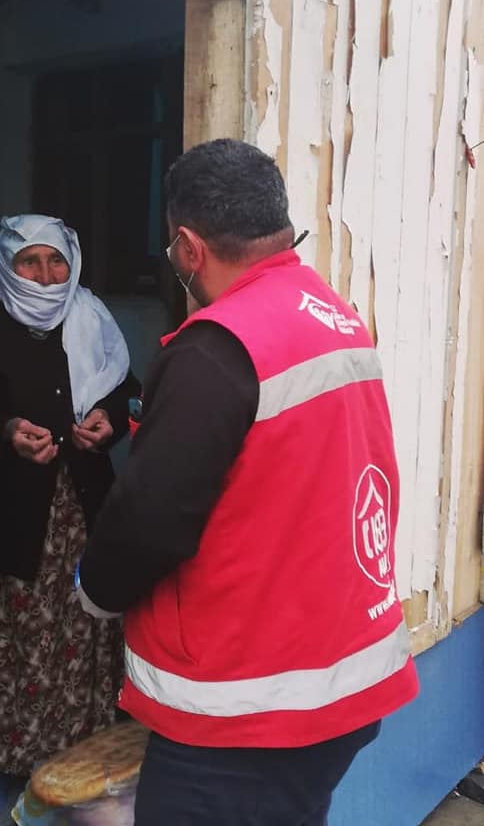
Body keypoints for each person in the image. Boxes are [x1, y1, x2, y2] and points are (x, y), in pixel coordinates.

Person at [77, 140, 420, 826]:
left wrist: (96, 590)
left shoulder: (216, 349)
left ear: (188, 247)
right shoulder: (331, 313)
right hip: (343, 679)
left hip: (246, 712)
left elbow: (149, 519)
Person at [0, 214, 139, 811]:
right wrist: (5, 430)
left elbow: (125, 387)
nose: (45, 275)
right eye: (29, 262)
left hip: (73, 516)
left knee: (69, 639)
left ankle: (59, 764)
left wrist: (108, 422)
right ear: (7, 265)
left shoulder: (88, 315)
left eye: (56, 260)